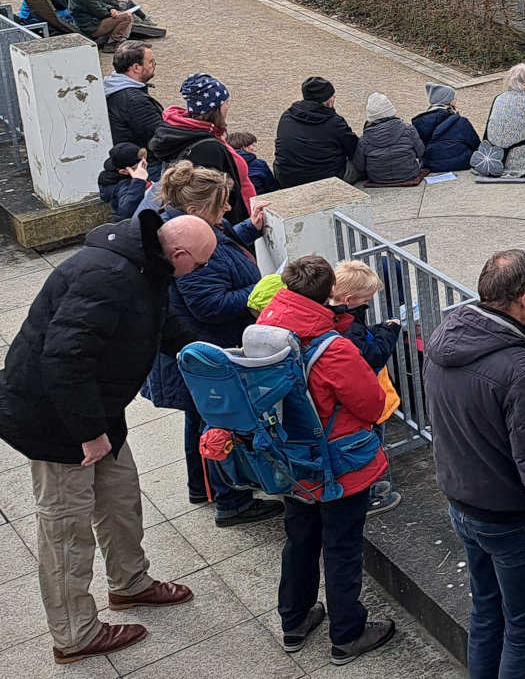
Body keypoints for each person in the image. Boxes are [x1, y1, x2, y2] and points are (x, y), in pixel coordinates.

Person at [0, 212, 215, 663]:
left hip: (97, 404)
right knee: (66, 528)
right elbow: (63, 358)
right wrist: (90, 433)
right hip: (56, 421)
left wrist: (210, 356)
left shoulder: (147, 262)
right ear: (177, 254)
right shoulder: (109, 275)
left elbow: (163, 325)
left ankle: (130, 583)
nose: (197, 272)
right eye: (197, 264)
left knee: (120, 496)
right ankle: (74, 635)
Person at [424, 250, 525, 679]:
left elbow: (474, 398)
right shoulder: (517, 370)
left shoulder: (447, 339)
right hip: (516, 520)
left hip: (464, 503)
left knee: (487, 612)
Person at [256, 256, 397, 662]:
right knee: (341, 546)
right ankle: (347, 633)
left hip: (289, 458)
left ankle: (294, 621)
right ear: (329, 293)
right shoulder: (331, 346)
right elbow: (372, 406)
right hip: (338, 464)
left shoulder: (266, 327)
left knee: (299, 538)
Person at [143, 162, 283, 529]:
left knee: (199, 418)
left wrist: (246, 230)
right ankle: (231, 500)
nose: (226, 210)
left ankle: (201, 487)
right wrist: (258, 294)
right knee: (217, 422)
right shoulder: (193, 250)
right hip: (207, 350)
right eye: (221, 205)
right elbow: (209, 304)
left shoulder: (185, 230)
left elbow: (220, 245)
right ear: (194, 212)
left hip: (191, 353)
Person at [328, 261, 405, 516]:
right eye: (367, 299)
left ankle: (368, 488)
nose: (369, 303)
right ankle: (368, 495)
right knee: (369, 446)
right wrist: (390, 331)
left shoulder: (334, 315)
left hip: (348, 402)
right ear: (349, 299)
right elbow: (372, 355)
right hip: (363, 399)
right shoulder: (348, 326)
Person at [148, 73, 256, 223]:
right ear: (215, 108)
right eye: (226, 103)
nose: (228, 107)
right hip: (227, 223)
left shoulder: (186, 132)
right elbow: (215, 196)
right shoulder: (207, 148)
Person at [274, 77, 359, 189]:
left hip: (286, 178)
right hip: (325, 179)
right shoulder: (334, 122)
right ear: (327, 100)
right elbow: (354, 150)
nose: (335, 97)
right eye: (332, 95)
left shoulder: (287, 115)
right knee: (362, 163)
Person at [103, 42, 164, 153]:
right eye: (151, 62)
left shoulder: (114, 86)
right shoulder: (135, 101)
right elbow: (162, 137)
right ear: (136, 67)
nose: (155, 65)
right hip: (146, 162)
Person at [352, 92, 424, 185]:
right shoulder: (408, 129)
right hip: (409, 174)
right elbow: (420, 152)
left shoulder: (364, 139)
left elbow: (360, 165)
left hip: (378, 178)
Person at [413, 83, 481, 173]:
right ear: (451, 102)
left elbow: (419, 150)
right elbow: (476, 144)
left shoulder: (419, 123)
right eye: (453, 98)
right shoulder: (462, 122)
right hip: (462, 164)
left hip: (431, 166)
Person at [65, 0, 135, 47]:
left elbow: (100, 3)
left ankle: (121, 40)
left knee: (126, 15)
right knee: (127, 16)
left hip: (87, 23)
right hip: (91, 27)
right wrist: (115, 13)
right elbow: (101, 13)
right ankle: (113, 42)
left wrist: (111, 8)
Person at [98, 143, 149, 219]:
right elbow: (125, 213)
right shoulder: (124, 185)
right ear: (124, 172)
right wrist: (138, 181)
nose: (146, 164)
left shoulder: (110, 175)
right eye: (141, 166)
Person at [224, 131, 279, 195]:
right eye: (253, 145)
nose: (255, 149)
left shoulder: (224, 164)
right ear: (244, 147)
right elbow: (271, 188)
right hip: (258, 199)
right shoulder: (259, 164)